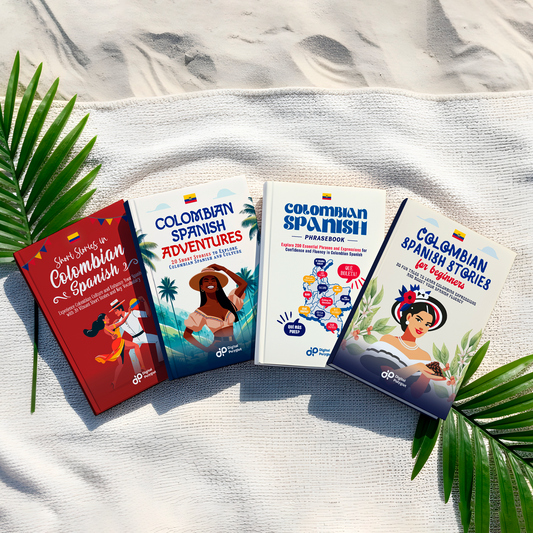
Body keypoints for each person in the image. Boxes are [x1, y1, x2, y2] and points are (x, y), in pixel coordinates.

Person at [358, 285, 447, 398]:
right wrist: (417, 367)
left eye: (427, 324)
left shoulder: (425, 356)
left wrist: (426, 376)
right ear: (409, 317)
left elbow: (416, 393)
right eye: (418, 320)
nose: (422, 327)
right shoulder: (389, 341)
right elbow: (388, 378)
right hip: (372, 394)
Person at [183, 264, 247, 354]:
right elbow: (187, 334)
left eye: (213, 280)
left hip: (234, 346)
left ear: (217, 285)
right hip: (217, 349)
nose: (210, 283)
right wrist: (206, 349)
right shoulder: (200, 312)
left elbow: (243, 284)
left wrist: (224, 268)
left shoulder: (229, 303)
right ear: (201, 286)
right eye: (206, 281)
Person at [83, 313, 144, 389]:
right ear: (103, 320)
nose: (109, 318)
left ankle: (114, 382)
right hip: (119, 342)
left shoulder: (106, 329)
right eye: (107, 317)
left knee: (120, 364)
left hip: (115, 345)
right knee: (136, 346)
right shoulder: (110, 327)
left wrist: (114, 323)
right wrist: (128, 313)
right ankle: (142, 366)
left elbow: (113, 333)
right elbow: (121, 322)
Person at [111, 297, 163, 373]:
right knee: (131, 353)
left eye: (115, 311)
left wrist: (144, 301)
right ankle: (138, 373)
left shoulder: (133, 313)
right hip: (135, 340)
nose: (115, 313)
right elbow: (118, 336)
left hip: (143, 335)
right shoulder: (120, 323)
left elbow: (148, 314)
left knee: (158, 339)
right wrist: (114, 326)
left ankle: (161, 361)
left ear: (120, 309)